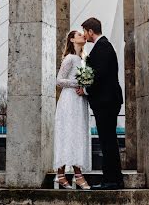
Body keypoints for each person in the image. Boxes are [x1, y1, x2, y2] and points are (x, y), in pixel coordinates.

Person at [76, 17, 124, 190]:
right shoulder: (102, 46)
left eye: (85, 31)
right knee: (108, 140)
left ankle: (111, 180)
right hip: (107, 100)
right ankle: (114, 179)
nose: (84, 35)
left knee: (107, 141)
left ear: (90, 31)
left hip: (106, 101)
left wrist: (86, 90)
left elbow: (100, 74)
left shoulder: (102, 46)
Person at [53, 30, 91, 190]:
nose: (83, 36)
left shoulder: (83, 58)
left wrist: (86, 84)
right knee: (67, 133)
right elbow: (59, 80)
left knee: (77, 134)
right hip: (69, 100)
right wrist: (77, 83)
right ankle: (66, 175)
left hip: (80, 100)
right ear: (72, 39)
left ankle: (71, 174)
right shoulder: (69, 58)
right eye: (80, 35)